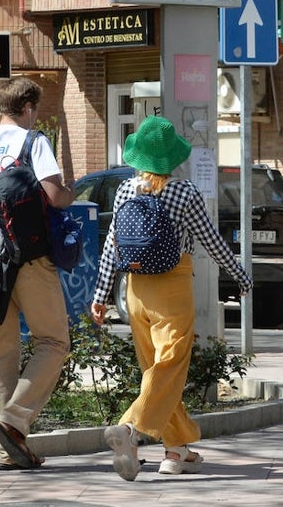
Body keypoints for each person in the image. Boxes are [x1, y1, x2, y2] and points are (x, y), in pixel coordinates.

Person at [90, 115, 253, 481]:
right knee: (169, 369)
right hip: (172, 288)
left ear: (139, 157)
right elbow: (211, 241)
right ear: (172, 159)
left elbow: (112, 245)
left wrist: (101, 293)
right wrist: (241, 275)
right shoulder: (184, 192)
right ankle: (130, 429)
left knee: (158, 375)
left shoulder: (125, 191)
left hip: (134, 290)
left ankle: (176, 452)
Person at [0, 76, 76, 472]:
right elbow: (54, 194)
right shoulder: (33, 142)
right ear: (28, 108)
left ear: (0, 109)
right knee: (54, 341)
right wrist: (71, 191)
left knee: (1, 354)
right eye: (36, 111)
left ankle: (6, 450)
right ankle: (13, 421)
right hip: (28, 259)